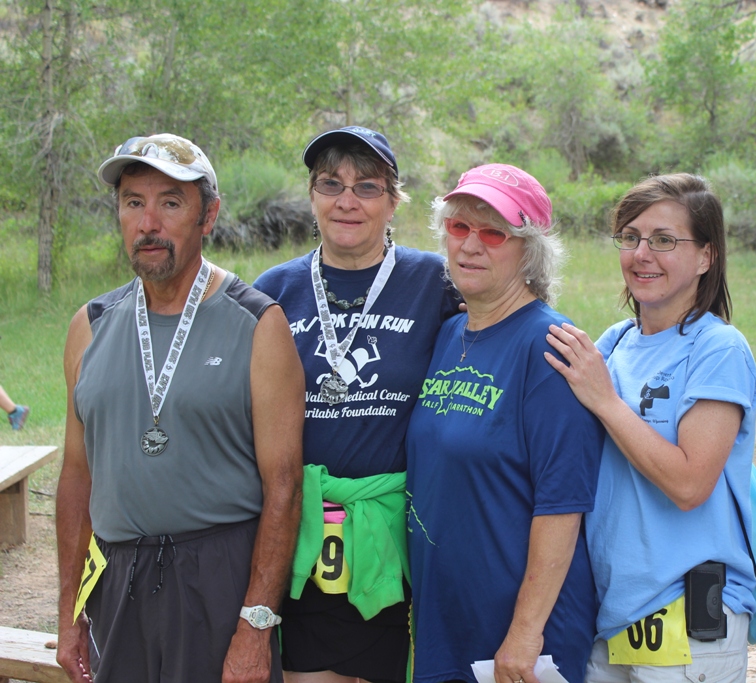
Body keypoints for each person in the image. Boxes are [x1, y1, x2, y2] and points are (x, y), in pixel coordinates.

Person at [55, 133, 305, 683]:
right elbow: (77, 478)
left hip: (218, 577)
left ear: (207, 215)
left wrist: (256, 627)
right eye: (132, 202)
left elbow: (284, 486)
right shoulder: (89, 326)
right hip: (116, 579)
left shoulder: (258, 325)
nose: (149, 223)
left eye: (170, 202)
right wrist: (69, 612)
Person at [253, 126, 461, 683]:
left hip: (401, 530)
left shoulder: (436, 283)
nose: (347, 200)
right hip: (303, 527)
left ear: (394, 201)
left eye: (367, 187)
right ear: (312, 195)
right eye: (331, 184)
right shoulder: (274, 289)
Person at [546, 174, 756, 683]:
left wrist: (606, 400)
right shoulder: (614, 343)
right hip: (613, 613)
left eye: (664, 240)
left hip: (687, 616)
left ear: (706, 256)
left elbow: (690, 484)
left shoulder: (717, 349)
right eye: (631, 237)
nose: (642, 253)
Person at [405, 164, 603, 683]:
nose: (471, 245)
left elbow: (563, 504)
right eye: (459, 227)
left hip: (521, 636)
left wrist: (524, 632)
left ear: (529, 251)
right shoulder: (450, 333)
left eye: (494, 232)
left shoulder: (551, 346)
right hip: (447, 614)